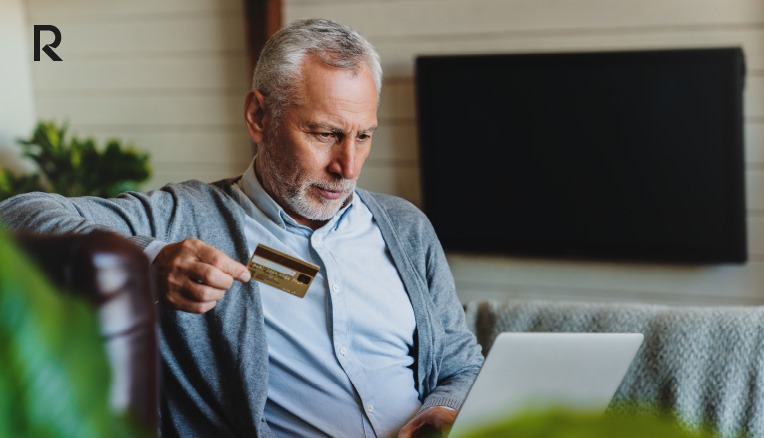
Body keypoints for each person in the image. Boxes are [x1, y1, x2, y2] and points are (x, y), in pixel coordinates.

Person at [0, 18, 484, 437]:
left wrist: (444, 410)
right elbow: (18, 215)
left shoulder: (406, 227)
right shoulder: (185, 217)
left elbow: (461, 366)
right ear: (258, 116)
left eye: (363, 136)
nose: (348, 166)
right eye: (325, 134)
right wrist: (148, 263)